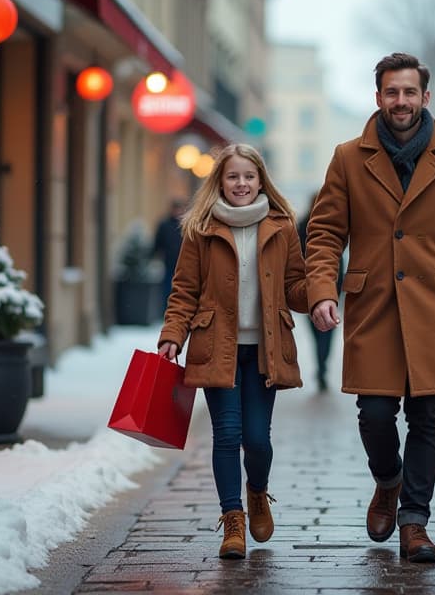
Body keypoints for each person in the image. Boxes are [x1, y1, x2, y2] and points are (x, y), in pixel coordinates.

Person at [305, 52, 435, 564]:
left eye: (409, 92)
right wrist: (322, 288)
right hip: (373, 307)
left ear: (424, 98)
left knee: (427, 418)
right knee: (374, 415)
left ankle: (415, 522)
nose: (400, 101)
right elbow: (325, 232)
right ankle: (388, 481)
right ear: (378, 97)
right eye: (392, 92)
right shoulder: (348, 157)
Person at [157, 144, 307, 560]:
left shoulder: (282, 226)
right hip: (214, 345)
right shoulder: (201, 228)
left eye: (248, 176)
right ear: (219, 182)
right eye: (232, 177)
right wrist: (173, 334)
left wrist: (321, 293)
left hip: (265, 348)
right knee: (226, 435)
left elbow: (295, 286)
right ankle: (233, 520)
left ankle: (256, 491)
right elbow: (184, 290)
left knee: (257, 440)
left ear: (261, 180)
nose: (241, 184)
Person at [298, 192, 344, 392]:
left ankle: (321, 366)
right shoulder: (305, 227)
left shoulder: (302, 225)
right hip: (324, 287)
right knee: (326, 334)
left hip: (314, 288)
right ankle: (322, 366)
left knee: (318, 334)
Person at [152, 198, 186, 306]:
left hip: (184, 262)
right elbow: (158, 241)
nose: (177, 211)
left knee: (183, 287)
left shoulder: (185, 224)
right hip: (169, 261)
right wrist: (154, 255)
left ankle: (180, 307)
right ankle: (167, 307)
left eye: (179, 209)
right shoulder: (164, 224)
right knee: (167, 287)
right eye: (175, 209)